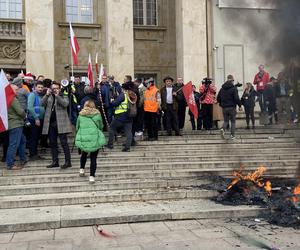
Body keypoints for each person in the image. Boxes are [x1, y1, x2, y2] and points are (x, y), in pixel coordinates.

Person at [41, 81, 72, 168]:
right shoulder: (49, 96)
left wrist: (57, 96)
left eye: (56, 88)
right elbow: (41, 103)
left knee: (64, 143)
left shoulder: (64, 95)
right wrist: (46, 95)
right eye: (53, 88)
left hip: (61, 123)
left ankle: (68, 162)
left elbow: (65, 104)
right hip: (50, 123)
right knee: (53, 143)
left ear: (59, 88)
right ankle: (55, 161)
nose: (54, 90)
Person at [75, 100, 106, 183]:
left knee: (84, 154)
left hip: (84, 137)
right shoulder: (97, 114)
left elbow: (77, 127)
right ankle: (92, 176)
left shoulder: (81, 115)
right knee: (93, 158)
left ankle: (82, 169)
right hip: (94, 137)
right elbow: (100, 126)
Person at [106, 83, 137, 152]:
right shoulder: (133, 95)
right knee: (128, 131)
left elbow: (114, 103)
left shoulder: (124, 95)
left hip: (121, 115)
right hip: (130, 115)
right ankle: (127, 147)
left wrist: (112, 101)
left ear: (124, 89)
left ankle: (110, 144)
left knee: (111, 128)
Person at [6, 84, 27, 170]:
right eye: (16, 89)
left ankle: (23, 159)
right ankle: (10, 164)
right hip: (16, 124)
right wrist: (25, 115)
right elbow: (20, 111)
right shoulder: (13, 99)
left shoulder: (7, 99)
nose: (17, 91)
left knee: (22, 140)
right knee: (13, 144)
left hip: (13, 124)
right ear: (11, 90)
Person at [217, 75, 242, 139]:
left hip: (224, 108)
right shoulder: (234, 88)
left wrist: (221, 104)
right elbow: (236, 98)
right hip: (232, 107)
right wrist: (239, 105)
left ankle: (223, 129)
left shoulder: (222, 89)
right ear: (232, 80)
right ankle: (232, 135)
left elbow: (218, 98)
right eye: (233, 80)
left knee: (226, 121)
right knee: (233, 121)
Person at [27, 81, 46, 160]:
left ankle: (35, 154)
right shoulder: (32, 95)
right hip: (34, 119)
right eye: (39, 87)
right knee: (33, 137)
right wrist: (36, 118)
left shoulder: (41, 95)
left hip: (40, 119)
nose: (40, 89)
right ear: (35, 87)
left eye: (42, 87)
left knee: (36, 137)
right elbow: (30, 107)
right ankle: (32, 155)